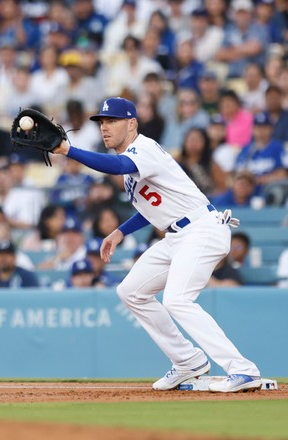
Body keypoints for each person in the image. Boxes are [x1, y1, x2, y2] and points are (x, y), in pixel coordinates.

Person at [53, 96, 261, 393]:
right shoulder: (134, 159)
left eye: (112, 121)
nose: (104, 128)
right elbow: (155, 206)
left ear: (132, 123)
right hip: (177, 235)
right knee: (131, 292)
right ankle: (187, 360)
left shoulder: (144, 148)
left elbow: (117, 165)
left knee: (177, 299)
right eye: (102, 122)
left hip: (202, 229)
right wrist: (121, 232)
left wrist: (68, 150)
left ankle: (243, 369)